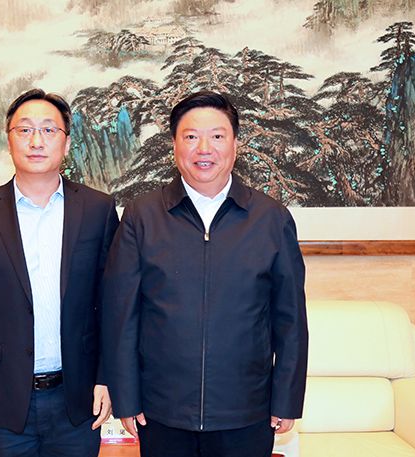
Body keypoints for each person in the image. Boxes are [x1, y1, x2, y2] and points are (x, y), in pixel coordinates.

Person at [101, 91, 308, 457]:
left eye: (217, 136)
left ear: (235, 145)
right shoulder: (141, 216)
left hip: (246, 412)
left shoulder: (271, 219)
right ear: (175, 145)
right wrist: (126, 398)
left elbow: (290, 319)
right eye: (191, 136)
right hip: (162, 412)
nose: (204, 149)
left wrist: (287, 398)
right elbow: (122, 316)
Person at [0, 88, 119, 457]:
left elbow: (112, 305)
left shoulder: (98, 210)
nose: (36, 141)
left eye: (48, 130)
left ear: (66, 143)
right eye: (24, 130)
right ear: (9, 140)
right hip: (1, 401)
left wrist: (107, 378)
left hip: (77, 400)